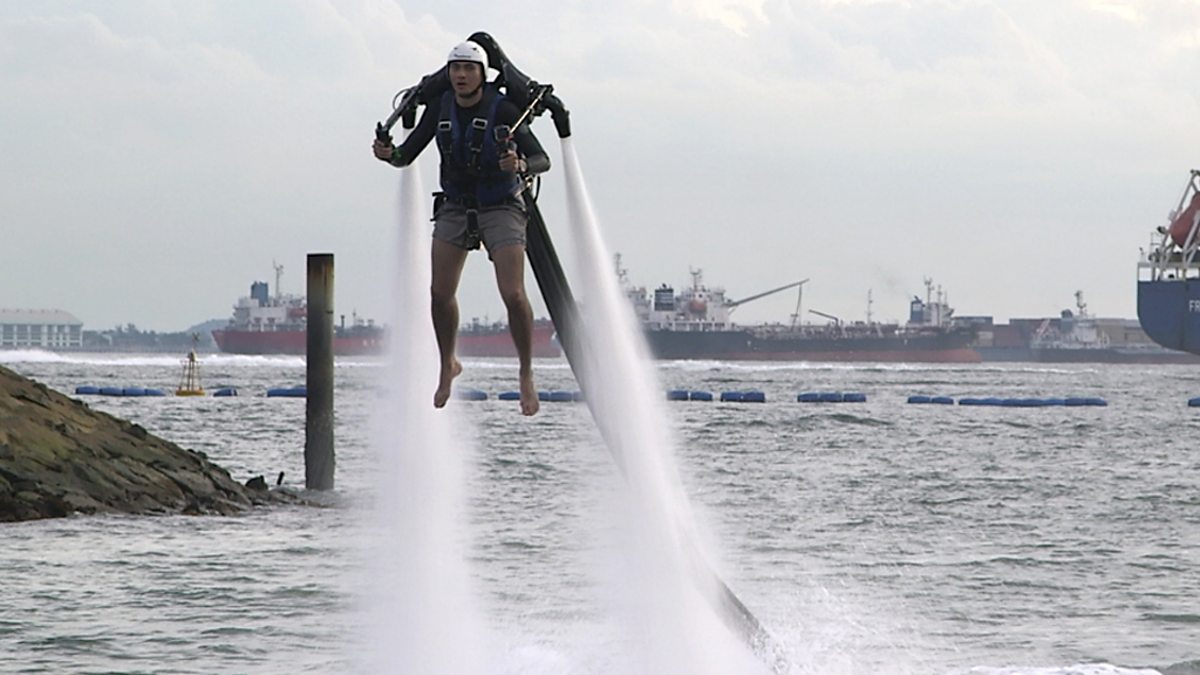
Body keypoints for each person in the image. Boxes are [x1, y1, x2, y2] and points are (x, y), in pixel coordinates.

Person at [373, 40, 550, 416]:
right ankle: (447, 363)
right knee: (439, 292)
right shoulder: (440, 108)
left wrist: (519, 165)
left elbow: (542, 159)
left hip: (500, 205)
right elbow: (407, 154)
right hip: (455, 206)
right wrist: (390, 155)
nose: (461, 75)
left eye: (469, 69)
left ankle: (525, 372)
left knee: (513, 293)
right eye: (455, 68)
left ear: (482, 75)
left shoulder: (504, 110)